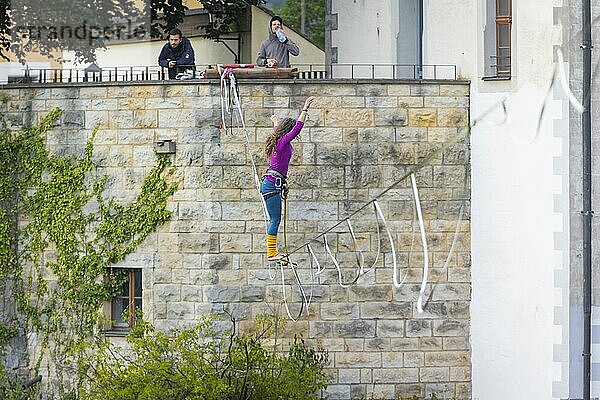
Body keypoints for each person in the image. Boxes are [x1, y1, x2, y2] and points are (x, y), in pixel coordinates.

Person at [261, 96, 315, 262]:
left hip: (272, 183)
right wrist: (304, 109)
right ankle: (271, 253)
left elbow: (278, 130)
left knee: (275, 218)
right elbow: (297, 128)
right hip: (271, 184)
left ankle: (273, 252)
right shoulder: (283, 142)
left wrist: (276, 122)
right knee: (275, 219)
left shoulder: (279, 140)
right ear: (287, 131)